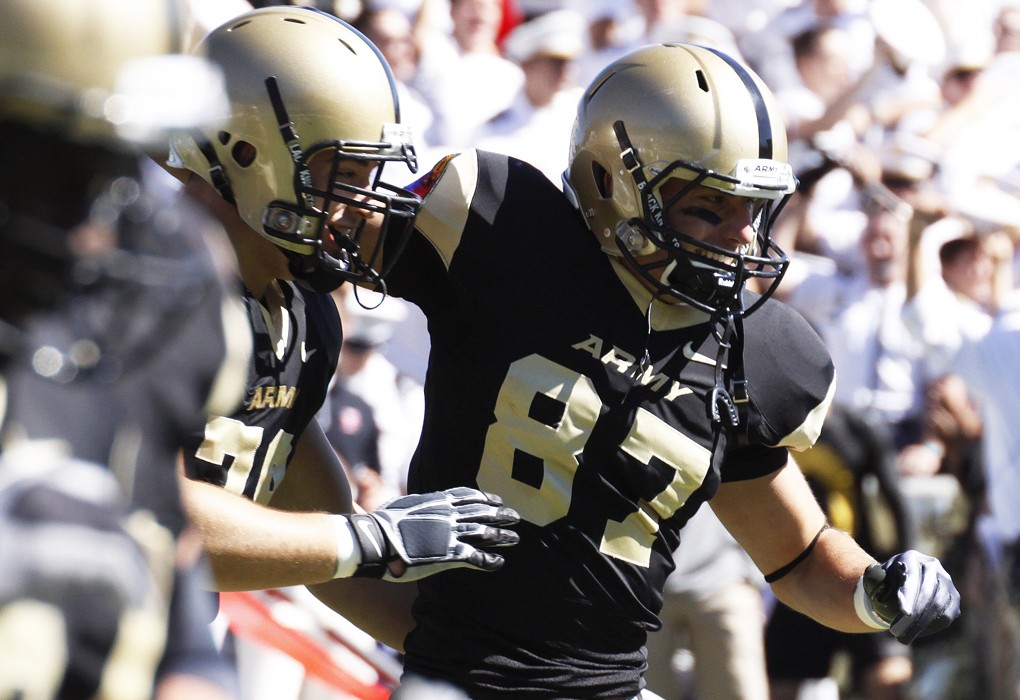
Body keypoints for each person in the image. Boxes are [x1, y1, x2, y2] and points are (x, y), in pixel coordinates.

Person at [325, 43, 962, 698]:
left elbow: (799, 558)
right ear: (611, 182)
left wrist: (876, 593)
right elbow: (318, 236)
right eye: (711, 207)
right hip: (460, 679)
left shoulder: (753, 352)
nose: (744, 237)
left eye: (754, 208)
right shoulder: (497, 225)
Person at [164, 5, 519, 644]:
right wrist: (366, 538)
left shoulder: (301, 315)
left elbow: (323, 544)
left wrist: (515, 675)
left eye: (370, 175)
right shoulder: (145, 288)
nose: (364, 206)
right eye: (344, 174)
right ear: (247, 155)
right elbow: (142, 514)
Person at [0, 0, 250, 697]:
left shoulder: (161, 299)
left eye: (113, 165)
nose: (94, 230)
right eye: (55, 164)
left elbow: (175, 569)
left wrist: (195, 672)